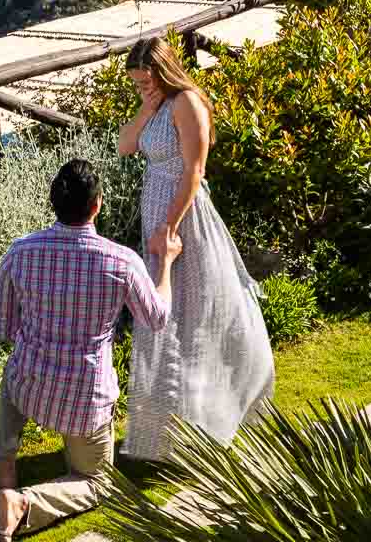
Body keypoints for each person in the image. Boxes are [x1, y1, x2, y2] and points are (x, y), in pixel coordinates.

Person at [0, 158, 182, 541]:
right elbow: (157, 318)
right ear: (98, 205)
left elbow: (7, 329)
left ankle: (4, 477)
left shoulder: (19, 252)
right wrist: (167, 264)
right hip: (83, 401)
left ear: (53, 202)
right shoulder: (121, 262)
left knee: (12, 376)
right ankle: (26, 504)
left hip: (28, 387)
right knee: (97, 483)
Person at [119, 36, 275, 461]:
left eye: (146, 82)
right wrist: (146, 105)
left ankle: (203, 420)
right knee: (164, 320)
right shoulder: (155, 107)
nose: (142, 88)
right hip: (156, 216)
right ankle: (166, 431)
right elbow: (125, 146)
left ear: (164, 71)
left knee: (192, 318)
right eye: (136, 84)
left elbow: (194, 171)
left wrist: (169, 227)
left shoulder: (188, 103)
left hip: (182, 219)